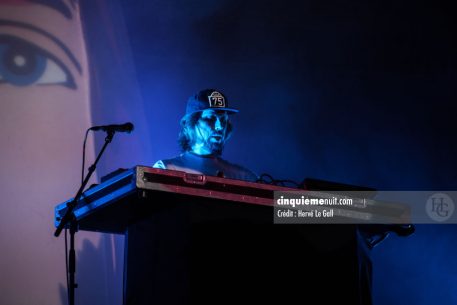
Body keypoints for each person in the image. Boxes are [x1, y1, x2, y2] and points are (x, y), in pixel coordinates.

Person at [153, 88, 258, 182]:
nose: (220, 126)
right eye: (210, 118)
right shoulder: (166, 169)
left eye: (223, 120)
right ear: (191, 124)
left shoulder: (244, 177)